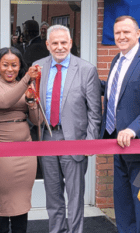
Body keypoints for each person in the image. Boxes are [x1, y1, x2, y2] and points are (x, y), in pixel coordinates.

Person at [34, 25, 101, 233]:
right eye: (55, 43)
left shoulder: (86, 69)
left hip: (75, 139)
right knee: (53, 195)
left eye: (64, 42)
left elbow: (94, 111)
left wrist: (90, 140)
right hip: (47, 137)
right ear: (47, 45)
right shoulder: (38, 67)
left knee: (75, 197)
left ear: (71, 43)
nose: (60, 47)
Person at [0, 47, 43, 233]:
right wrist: (26, 80)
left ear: (19, 66)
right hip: (0, 151)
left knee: (21, 203)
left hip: (25, 151)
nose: (10, 69)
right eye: (5, 65)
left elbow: (37, 121)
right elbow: (4, 102)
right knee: (3, 204)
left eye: (14, 65)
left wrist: (31, 102)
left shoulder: (25, 87)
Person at [100, 15, 140, 233]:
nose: (121, 36)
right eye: (117, 33)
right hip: (119, 147)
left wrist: (133, 129)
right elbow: (116, 91)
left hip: (138, 150)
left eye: (126, 32)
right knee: (123, 205)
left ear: (138, 33)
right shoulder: (117, 59)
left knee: (139, 204)